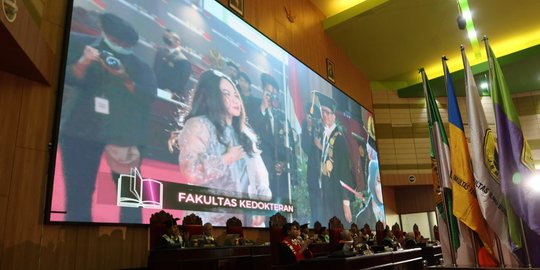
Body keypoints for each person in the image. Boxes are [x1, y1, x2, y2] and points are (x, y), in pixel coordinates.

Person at [60, 13, 157, 223]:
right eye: (116, 41)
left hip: (123, 136)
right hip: (80, 131)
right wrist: (84, 63)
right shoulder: (81, 44)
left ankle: (134, 244)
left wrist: (124, 77)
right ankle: (76, 244)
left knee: (131, 199)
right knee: (78, 194)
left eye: (126, 44)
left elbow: (148, 96)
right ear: (106, 35)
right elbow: (65, 78)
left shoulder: (140, 66)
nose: (120, 47)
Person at [176, 69, 271, 226]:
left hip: (244, 221)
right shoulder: (198, 124)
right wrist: (225, 159)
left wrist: (261, 206)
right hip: (208, 222)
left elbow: (261, 176)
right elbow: (190, 170)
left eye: (235, 94)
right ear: (212, 96)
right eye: (227, 94)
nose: (235, 100)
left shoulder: (245, 134)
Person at [249, 73, 296, 203]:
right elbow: (251, 130)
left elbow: (287, 145)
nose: (271, 97)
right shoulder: (255, 109)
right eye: (268, 93)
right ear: (262, 91)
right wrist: (263, 108)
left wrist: (283, 163)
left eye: (274, 94)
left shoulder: (281, 117)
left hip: (280, 178)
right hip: (262, 174)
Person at [315, 91, 354, 224]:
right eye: (322, 112)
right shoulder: (327, 136)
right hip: (327, 195)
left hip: (337, 195)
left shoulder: (339, 138)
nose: (324, 115)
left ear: (333, 116)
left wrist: (346, 202)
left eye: (327, 112)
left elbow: (344, 171)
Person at [153, 29, 192, 101]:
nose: (169, 39)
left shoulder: (183, 60)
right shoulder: (160, 52)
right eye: (168, 37)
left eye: (172, 38)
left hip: (169, 95)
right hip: (155, 89)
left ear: (178, 42)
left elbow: (181, 81)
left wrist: (170, 90)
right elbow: (155, 69)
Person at [301, 102, 323, 223]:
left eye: (313, 117)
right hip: (313, 173)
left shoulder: (323, 128)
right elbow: (306, 149)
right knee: (314, 204)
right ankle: (317, 226)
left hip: (325, 172)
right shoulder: (305, 129)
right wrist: (309, 129)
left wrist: (319, 145)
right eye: (309, 117)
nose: (311, 120)